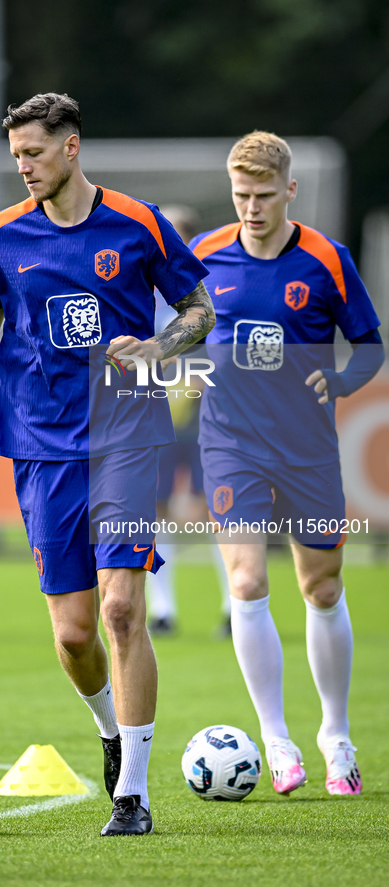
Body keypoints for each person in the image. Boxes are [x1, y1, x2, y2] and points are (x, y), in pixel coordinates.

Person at [0, 93, 214, 835]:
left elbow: (199, 312)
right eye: (16, 155)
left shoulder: (137, 224)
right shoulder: (2, 234)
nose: (23, 167)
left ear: (71, 147)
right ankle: (111, 729)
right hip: (41, 449)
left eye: (34, 153)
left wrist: (156, 350)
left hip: (128, 436)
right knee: (75, 634)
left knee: (120, 609)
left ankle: (133, 795)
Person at [191, 131, 385, 796]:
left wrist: (340, 382)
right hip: (229, 444)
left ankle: (335, 734)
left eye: (263, 195)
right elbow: (178, 328)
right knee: (244, 583)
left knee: (321, 588)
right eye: (241, 194)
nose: (250, 206)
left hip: (305, 446)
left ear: (288, 192)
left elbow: (367, 345)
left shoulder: (325, 260)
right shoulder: (203, 257)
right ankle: (274, 738)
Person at [147, 205, 231, 638]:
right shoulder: (142, 292)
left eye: (173, 236)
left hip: (203, 422)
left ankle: (233, 607)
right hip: (157, 420)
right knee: (156, 513)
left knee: (215, 511)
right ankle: (163, 610)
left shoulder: (209, 293)